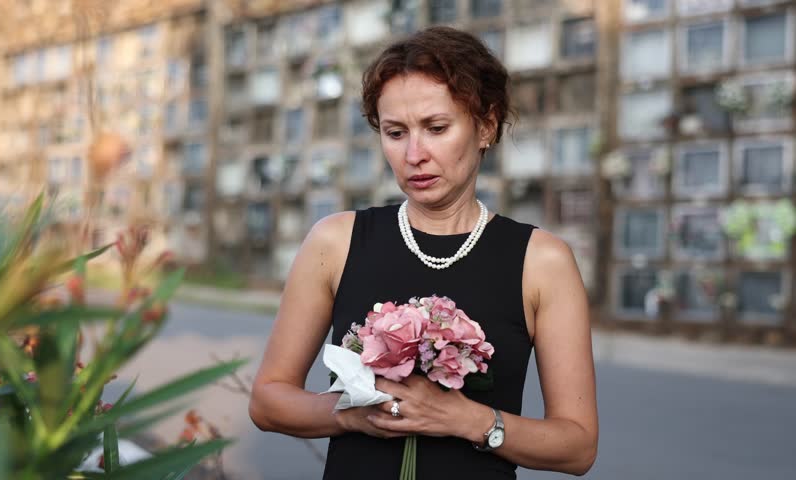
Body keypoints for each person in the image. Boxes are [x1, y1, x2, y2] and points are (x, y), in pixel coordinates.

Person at [249, 26, 598, 479]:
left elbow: (577, 446)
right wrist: (352, 414)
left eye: (436, 128)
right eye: (395, 133)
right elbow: (268, 400)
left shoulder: (542, 261)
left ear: (486, 126)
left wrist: (465, 419)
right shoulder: (335, 241)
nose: (415, 154)